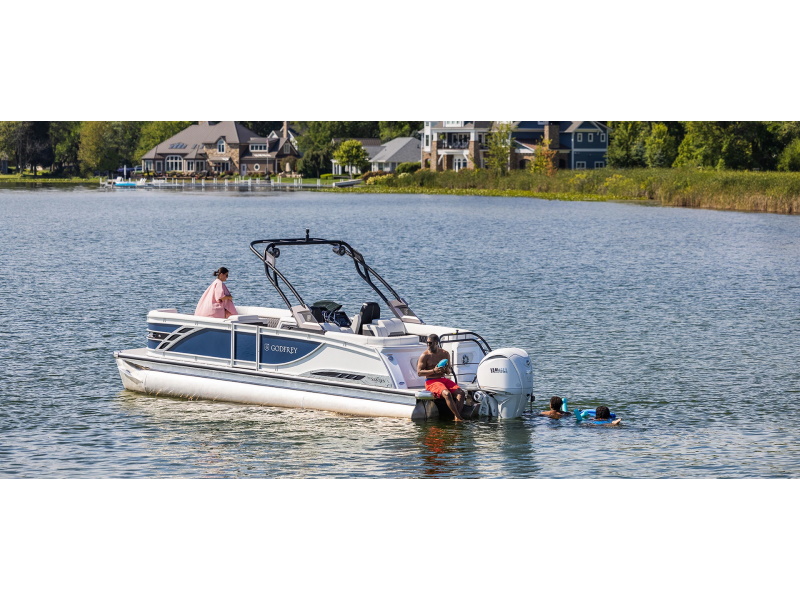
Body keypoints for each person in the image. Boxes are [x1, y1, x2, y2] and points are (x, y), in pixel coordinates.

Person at [417, 333, 466, 421]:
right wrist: (434, 371)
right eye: (427, 343)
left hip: (443, 379)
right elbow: (419, 373)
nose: (428, 345)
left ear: (436, 343)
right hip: (431, 381)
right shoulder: (425, 355)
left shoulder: (445, 354)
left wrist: (447, 370)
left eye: (430, 343)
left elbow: (449, 370)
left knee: (461, 393)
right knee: (447, 394)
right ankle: (458, 417)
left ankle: (456, 417)